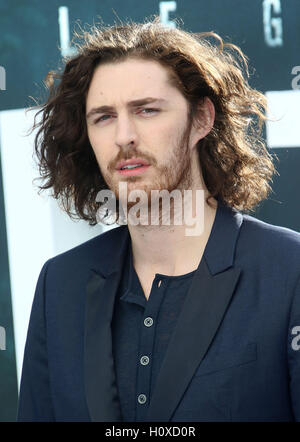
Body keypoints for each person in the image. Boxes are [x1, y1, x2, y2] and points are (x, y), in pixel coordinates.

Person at [17, 16, 300, 422]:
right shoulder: (61, 285)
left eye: (146, 110)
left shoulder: (288, 271)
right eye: (103, 117)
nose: (123, 136)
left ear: (202, 118)